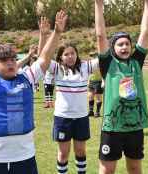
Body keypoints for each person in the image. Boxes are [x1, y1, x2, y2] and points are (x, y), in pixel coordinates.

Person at [0, 8, 67, 174]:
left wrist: (57, 33)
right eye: (4, 60)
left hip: (25, 157)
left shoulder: (27, 78)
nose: (10, 63)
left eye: (13, 59)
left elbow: (44, 58)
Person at [95, 0, 148, 173]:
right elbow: (100, 36)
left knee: (135, 168)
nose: (125, 47)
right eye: (120, 44)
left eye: (127, 43)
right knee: (107, 170)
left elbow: (145, 32)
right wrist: (98, 5)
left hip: (135, 126)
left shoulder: (136, 62)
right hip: (112, 128)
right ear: (113, 48)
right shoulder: (107, 63)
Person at [38, 17, 99, 172]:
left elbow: (103, 57)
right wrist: (43, 36)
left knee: (80, 151)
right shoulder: (57, 68)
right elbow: (42, 58)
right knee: (63, 153)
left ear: (77, 55)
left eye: (73, 53)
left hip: (81, 117)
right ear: (60, 57)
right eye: (66, 54)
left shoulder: (86, 67)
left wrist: (100, 35)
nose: (70, 56)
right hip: (63, 118)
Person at [37, 17, 55, 108]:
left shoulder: (54, 64)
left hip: (50, 79)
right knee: (47, 91)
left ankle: (50, 103)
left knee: (49, 91)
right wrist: (43, 36)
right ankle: (48, 103)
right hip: (47, 79)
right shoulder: (47, 63)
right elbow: (41, 57)